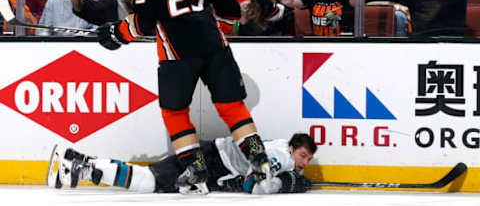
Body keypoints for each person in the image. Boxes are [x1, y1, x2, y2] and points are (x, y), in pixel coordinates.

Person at [96, 0, 272, 195]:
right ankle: (259, 158)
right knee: (232, 106)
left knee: (175, 112)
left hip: (178, 53)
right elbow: (231, 10)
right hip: (216, 48)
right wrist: (212, 26)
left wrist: (116, 33)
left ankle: (195, 168)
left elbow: (143, 24)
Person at [50, 133, 316, 194]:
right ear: (293, 149)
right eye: (302, 155)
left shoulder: (280, 147)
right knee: (150, 181)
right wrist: (286, 183)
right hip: (211, 161)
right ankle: (80, 166)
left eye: (308, 159)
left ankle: (79, 163)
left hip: (211, 159)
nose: (303, 162)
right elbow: (253, 187)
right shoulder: (281, 156)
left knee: (151, 178)